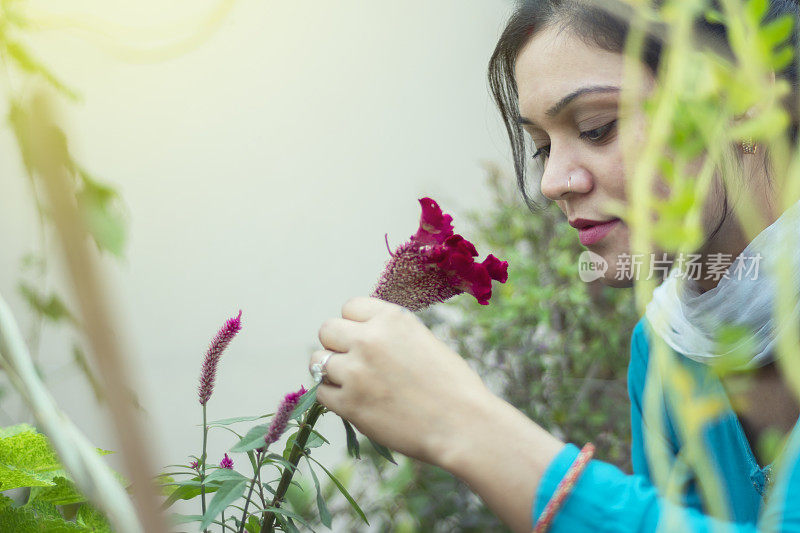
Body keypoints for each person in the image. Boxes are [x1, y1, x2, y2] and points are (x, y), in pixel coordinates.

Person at [308, 0, 800, 530]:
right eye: (541, 147)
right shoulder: (663, 349)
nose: (553, 181)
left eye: (596, 128)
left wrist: (467, 424)